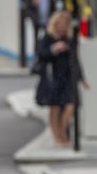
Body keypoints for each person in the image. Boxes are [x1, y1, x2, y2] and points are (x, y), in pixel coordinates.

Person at [35, 10, 88, 146]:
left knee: (70, 106)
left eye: (65, 24)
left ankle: (63, 132)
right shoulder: (48, 37)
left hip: (68, 76)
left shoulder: (70, 39)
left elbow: (75, 59)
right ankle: (57, 137)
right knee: (55, 107)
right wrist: (54, 49)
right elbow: (41, 54)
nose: (62, 27)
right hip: (53, 76)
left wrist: (82, 78)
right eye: (59, 24)